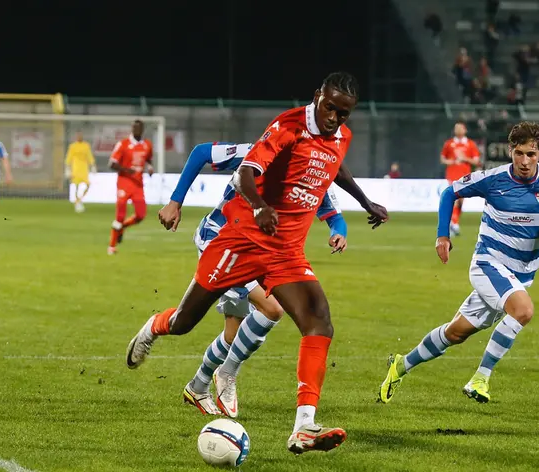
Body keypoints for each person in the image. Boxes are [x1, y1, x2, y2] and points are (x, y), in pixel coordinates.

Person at [125, 72, 388, 454]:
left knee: (318, 321)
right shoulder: (287, 127)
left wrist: (365, 202)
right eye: (330, 108)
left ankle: (304, 426)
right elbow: (247, 171)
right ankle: (155, 328)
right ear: (318, 97)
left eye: (343, 114)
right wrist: (261, 205)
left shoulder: (339, 137)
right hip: (241, 240)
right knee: (184, 323)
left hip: (286, 251)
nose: (334, 118)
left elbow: (334, 169)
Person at [378, 121, 539, 404]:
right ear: (510, 151)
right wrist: (443, 236)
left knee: (455, 333)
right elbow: (449, 193)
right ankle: (480, 378)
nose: (524, 161)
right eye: (519, 153)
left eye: (530, 154)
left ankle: (400, 365)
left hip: (519, 277)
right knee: (523, 310)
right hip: (487, 264)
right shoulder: (494, 180)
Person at [156, 141, 348, 417]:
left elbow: (335, 216)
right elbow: (200, 152)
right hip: (222, 240)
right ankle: (222, 374)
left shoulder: (315, 174)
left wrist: (338, 231)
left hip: (260, 254)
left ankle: (199, 385)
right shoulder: (260, 153)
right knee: (269, 310)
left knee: (241, 329)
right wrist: (175, 201)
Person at [108, 120, 153, 255]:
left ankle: (121, 228)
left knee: (140, 215)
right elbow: (112, 164)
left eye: (139, 128)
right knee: (120, 215)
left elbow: (148, 158)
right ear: (132, 129)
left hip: (138, 185)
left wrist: (150, 166)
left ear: (142, 129)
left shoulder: (147, 145)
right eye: (134, 127)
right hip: (124, 183)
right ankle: (111, 246)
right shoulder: (123, 144)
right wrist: (127, 170)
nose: (136, 130)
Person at [440, 121, 481, 236]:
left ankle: (454, 222)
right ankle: (454, 224)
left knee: (461, 200)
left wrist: (465, 158)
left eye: (460, 128)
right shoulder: (449, 143)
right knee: (456, 198)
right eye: (456, 128)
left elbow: (476, 161)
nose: (458, 130)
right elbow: (443, 158)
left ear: (465, 130)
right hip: (452, 174)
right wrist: (452, 161)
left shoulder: (470, 144)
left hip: (465, 175)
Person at [64, 130, 96, 213]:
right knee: (76, 186)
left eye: (80, 136)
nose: (79, 137)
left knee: (88, 185)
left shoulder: (86, 146)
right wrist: (67, 169)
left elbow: (89, 156)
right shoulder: (73, 146)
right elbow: (69, 157)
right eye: (78, 136)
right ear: (76, 137)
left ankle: (79, 200)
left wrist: (93, 166)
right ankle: (77, 202)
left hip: (84, 169)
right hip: (75, 169)